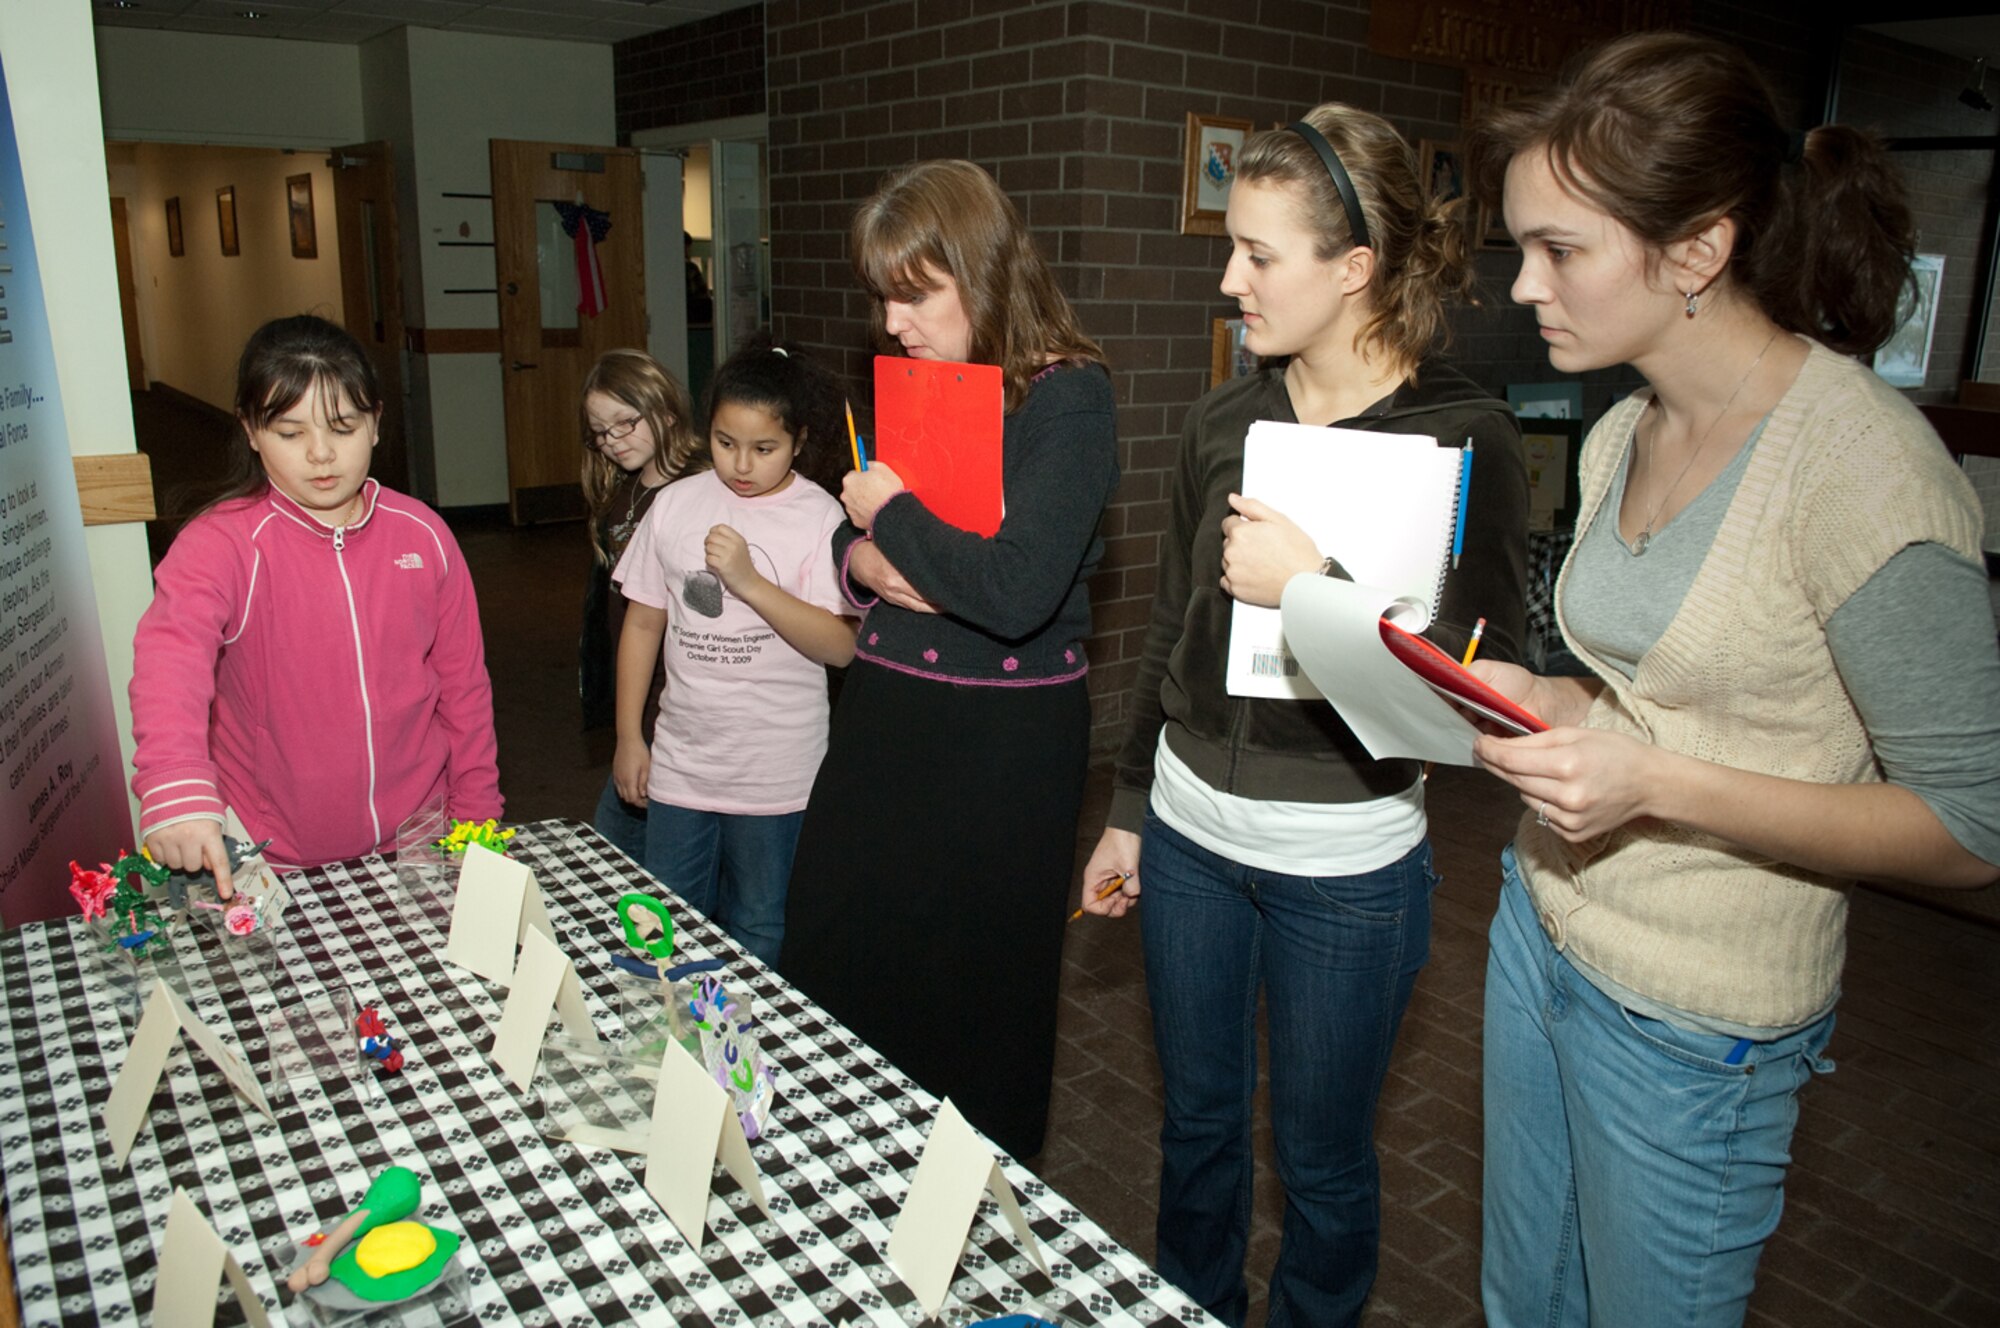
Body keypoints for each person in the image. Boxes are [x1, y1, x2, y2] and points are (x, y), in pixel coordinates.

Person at [1462, 31, 2000, 1327]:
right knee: (1522, 1304)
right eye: (1522, 244)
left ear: (1698, 251)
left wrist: (1655, 782)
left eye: (1562, 249)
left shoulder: (1863, 473)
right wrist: (1565, 709)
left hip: (1699, 1026)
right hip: (1542, 939)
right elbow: (1641, 692)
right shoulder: (1619, 434)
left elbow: (1975, 830)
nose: (1526, 283)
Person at [1078, 104, 1529, 1327]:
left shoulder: (1463, 436)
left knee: (1323, 1162)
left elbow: (1490, 687)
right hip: (1186, 834)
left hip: (1346, 867)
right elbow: (1172, 627)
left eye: (1258, 255)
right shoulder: (1226, 420)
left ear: (1354, 268)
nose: (1229, 283)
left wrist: (1318, 591)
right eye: (1231, 248)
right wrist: (1127, 809)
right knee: (1198, 1128)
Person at [781, 159, 1119, 1161]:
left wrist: (891, 520)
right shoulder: (927, 384)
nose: (891, 322)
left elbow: (1013, 592)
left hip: (1000, 743)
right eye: (882, 297)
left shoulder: (1069, 399)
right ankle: (845, 1178)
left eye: (912, 294)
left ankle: (963, 1220)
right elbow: (847, 543)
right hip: (888, 713)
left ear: (981, 274)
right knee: (838, 955)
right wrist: (883, 561)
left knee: (977, 996)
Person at [131, 314, 502, 896]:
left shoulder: (424, 534)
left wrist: (477, 810)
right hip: (274, 859)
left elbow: (463, 687)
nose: (321, 454)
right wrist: (175, 781)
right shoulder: (220, 544)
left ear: (376, 423)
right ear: (251, 431)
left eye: (343, 426)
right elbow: (170, 659)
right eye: (290, 433)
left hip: (418, 840)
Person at [611, 334, 858, 966]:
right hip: (682, 764)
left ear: (800, 441)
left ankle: (746, 1051)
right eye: (725, 444)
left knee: (760, 921)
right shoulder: (676, 504)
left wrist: (748, 583)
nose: (741, 465)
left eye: (764, 448)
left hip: (776, 771)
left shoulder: (819, 517)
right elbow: (642, 625)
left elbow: (841, 648)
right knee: (661, 916)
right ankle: (666, 1042)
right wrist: (629, 737)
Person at [578, 348, 703, 861]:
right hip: (639, 698)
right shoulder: (623, 491)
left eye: (624, 424)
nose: (612, 441)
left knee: (655, 860)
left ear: (666, 410)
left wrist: (638, 733)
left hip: (678, 706)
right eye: (600, 433)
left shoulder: (699, 489)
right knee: (620, 850)